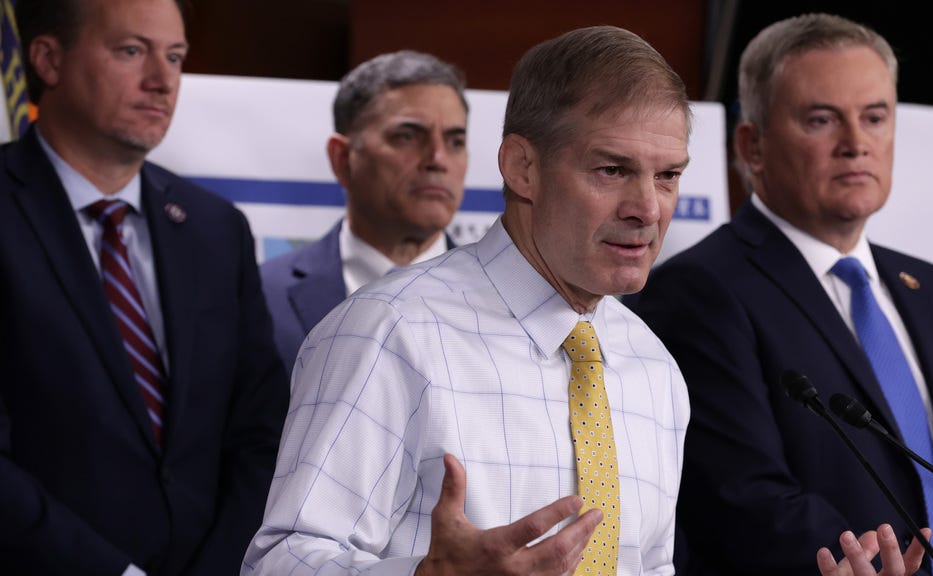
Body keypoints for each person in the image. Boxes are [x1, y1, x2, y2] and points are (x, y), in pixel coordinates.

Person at [242, 25, 692, 575]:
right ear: (522, 168)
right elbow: (278, 563)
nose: (647, 208)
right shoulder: (389, 331)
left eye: (668, 176)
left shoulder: (654, 366)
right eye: (612, 170)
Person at [629, 12, 933, 576]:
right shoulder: (699, 292)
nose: (856, 143)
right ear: (753, 145)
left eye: (875, 117)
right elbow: (743, 498)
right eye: (822, 119)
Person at [0, 0, 289, 573]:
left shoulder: (216, 229)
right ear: (49, 60)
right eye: (132, 51)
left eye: (175, 57)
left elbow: (262, 433)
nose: (162, 82)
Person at [260, 50, 468, 375]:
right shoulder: (260, 297)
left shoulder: (512, 302)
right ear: (342, 159)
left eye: (455, 141)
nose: (438, 159)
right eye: (408, 136)